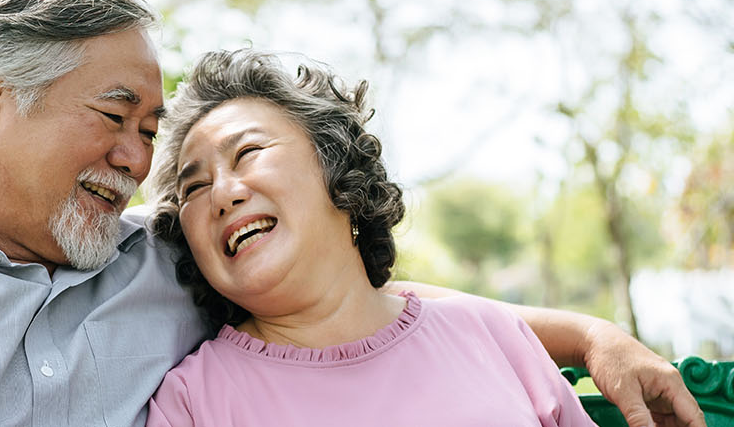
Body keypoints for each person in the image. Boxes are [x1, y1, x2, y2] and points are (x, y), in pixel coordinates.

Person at [0, 0, 704, 426]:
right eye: (118, 116)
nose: (141, 162)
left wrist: (583, 333)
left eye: (152, 133)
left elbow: (359, 309)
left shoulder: (171, 264)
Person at [145, 49, 595, 426]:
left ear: (336, 166)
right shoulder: (192, 401)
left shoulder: (490, 333)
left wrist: (597, 336)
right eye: (194, 188)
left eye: (247, 153)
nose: (222, 194)